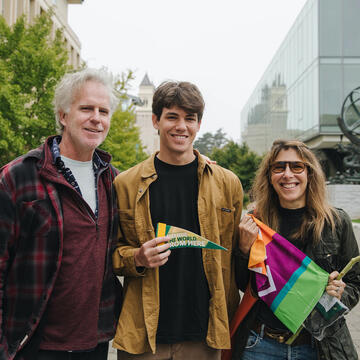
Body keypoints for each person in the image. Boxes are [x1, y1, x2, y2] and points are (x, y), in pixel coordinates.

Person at [112, 81, 243, 359]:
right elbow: (108, 255)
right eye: (172, 116)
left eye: (190, 118)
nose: (181, 126)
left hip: (204, 335)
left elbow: (233, 257)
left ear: (198, 125)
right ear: (155, 120)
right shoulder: (125, 184)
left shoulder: (227, 183)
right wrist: (136, 257)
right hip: (143, 335)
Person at [0, 68, 123, 360]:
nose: (96, 118)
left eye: (103, 111)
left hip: (95, 343)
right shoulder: (16, 178)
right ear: (64, 116)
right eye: (86, 108)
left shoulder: (114, 181)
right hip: (31, 345)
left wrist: (192, 158)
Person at [233, 139, 360, 360]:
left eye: (297, 167)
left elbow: (356, 283)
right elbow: (243, 285)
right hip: (261, 345)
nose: (287, 174)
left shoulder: (337, 222)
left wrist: (340, 292)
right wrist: (243, 249)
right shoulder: (255, 224)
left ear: (310, 173)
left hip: (319, 346)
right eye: (279, 168)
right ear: (269, 176)